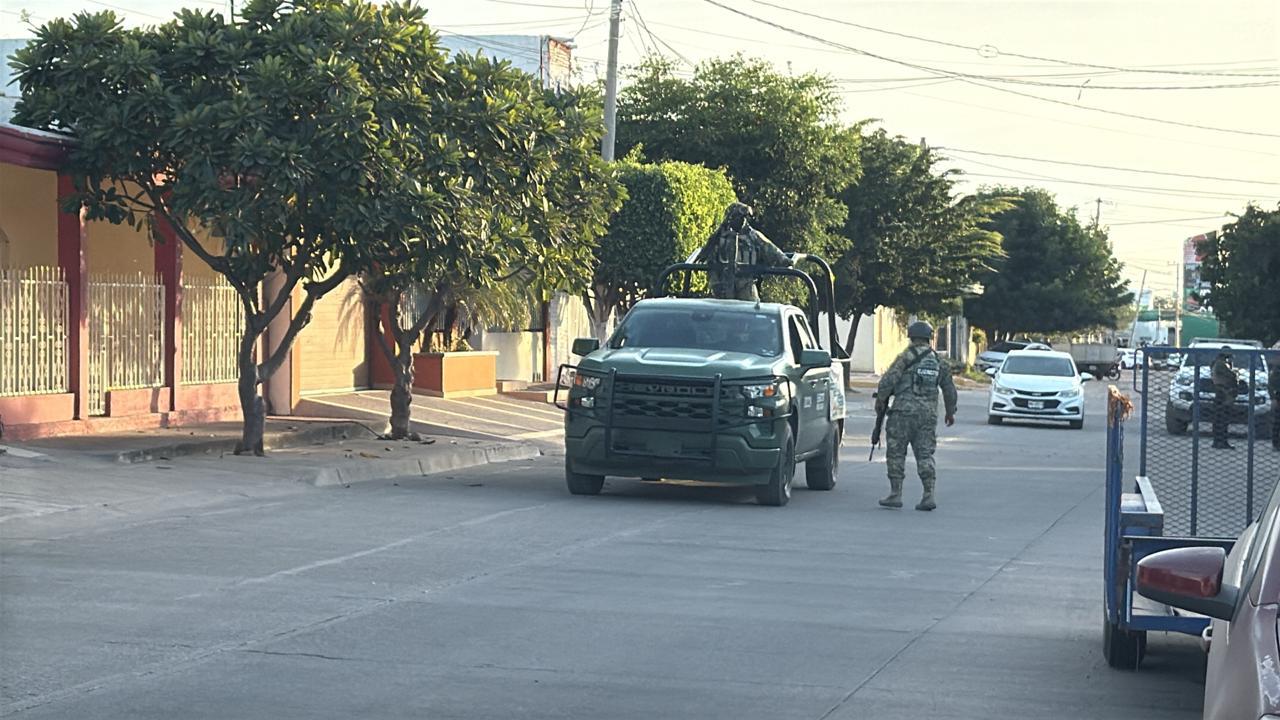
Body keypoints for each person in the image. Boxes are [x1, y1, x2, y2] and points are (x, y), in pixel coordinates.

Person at [875, 321, 958, 511]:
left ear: (911, 337)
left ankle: (896, 494)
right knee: (925, 454)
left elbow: (889, 380)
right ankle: (928, 495)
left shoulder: (905, 357)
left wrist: (880, 399)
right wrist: (950, 412)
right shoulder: (939, 361)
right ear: (929, 338)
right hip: (927, 416)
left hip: (902, 414)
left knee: (896, 452)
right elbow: (949, 389)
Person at [695, 202, 792, 301]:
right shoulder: (718, 237)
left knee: (752, 308)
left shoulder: (753, 236)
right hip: (722, 284)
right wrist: (715, 282)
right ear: (730, 218)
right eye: (738, 217)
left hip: (746, 283)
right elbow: (708, 259)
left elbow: (770, 249)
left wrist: (784, 260)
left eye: (744, 218)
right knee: (720, 310)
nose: (742, 220)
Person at [1210, 347, 1238, 450]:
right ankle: (1220, 441)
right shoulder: (1221, 364)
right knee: (1222, 419)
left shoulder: (1218, 363)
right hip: (1223, 393)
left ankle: (1219, 441)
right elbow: (1232, 375)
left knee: (1220, 419)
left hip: (1222, 392)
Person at [1269, 360, 1280, 451]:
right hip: (1278, 397)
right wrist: (1273, 398)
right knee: (1277, 422)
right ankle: (1276, 444)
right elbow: (1271, 385)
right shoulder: (1277, 370)